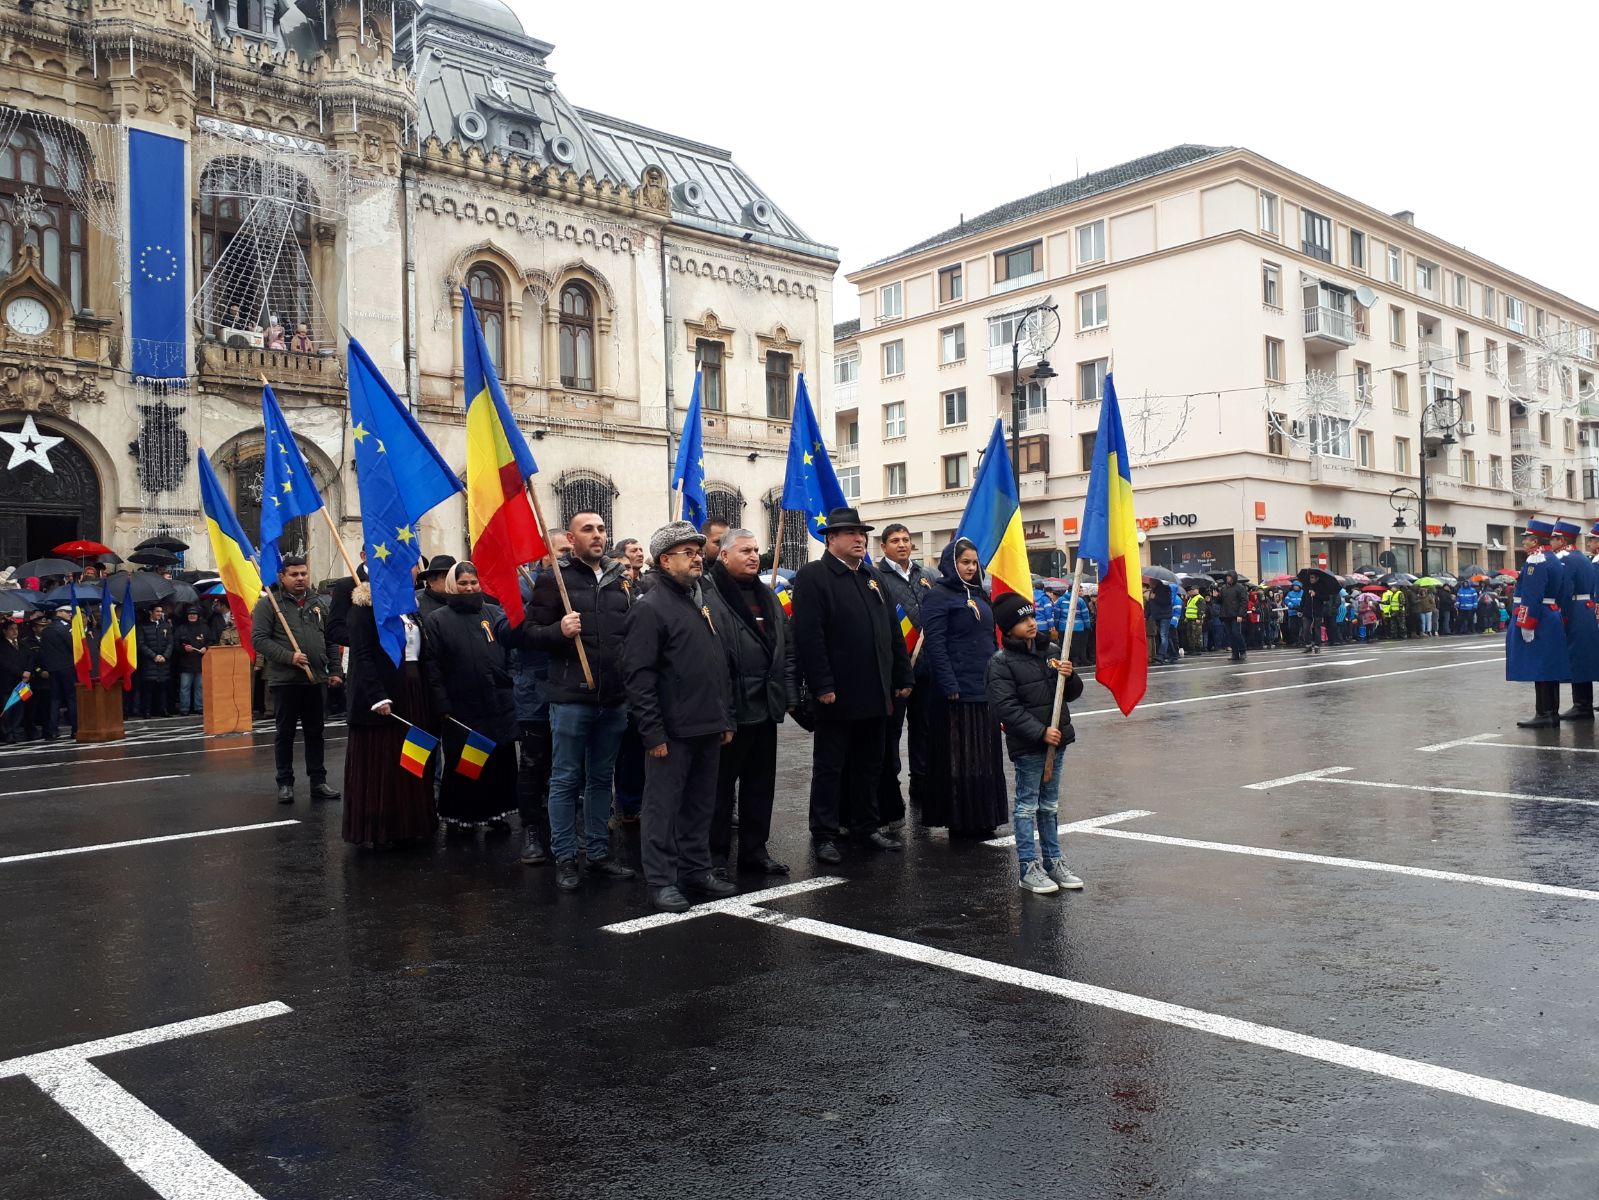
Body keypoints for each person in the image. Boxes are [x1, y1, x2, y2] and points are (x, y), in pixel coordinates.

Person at [623, 522, 735, 912]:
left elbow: (716, 665)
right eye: (687, 552)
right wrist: (652, 733)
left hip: (707, 723)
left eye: (697, 551)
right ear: (665, 561)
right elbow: (639, 677)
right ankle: (661, 880)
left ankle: (696, 870)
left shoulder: (699, 600)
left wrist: (724, 718)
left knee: (701, 805)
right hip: (672, 731)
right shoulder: (650, 607)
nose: (696, 558)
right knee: (662, 808)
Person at [792, 506, 913, 864]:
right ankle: (824, 833)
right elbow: (809, 636)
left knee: (869, 764)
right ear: (831, 538)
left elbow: (892, 632)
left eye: (862, 533)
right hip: (837, 694)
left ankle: (865, 826)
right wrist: (821, 684)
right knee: (830, 767)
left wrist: (902, 676)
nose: (860, 539)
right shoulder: (814, 576)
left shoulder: (871, 576)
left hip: (875, 691)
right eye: (851, 533)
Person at [528, 510, 636, 891]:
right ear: (571, 540)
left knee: (601, 779)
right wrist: (558, 630)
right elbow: (529, 633)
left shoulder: (619, 580)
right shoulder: (553, 579)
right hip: (572, 697)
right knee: (565, 779)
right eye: (587, 529)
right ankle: (565, 857)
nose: (597, 535)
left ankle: (599, 853)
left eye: (602, 529)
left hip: (614, 699)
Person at [703, 527, 796, 877]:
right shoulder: (707, 594)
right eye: (745, 551)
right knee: (719, 789)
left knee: (760, 786)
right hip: (730, 710)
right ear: (724, 555)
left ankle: (755, 852)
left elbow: (786, 646)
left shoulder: (768, 595)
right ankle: (714, 857)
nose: (754, 556)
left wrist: (788, 696)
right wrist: (721, 710)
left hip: (765, 707)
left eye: (756, 550)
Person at [985, 593, 1085, 894]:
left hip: (1057, 741)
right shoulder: (1001, 663)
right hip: (1030, 745)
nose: (1031, 623)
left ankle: (1054, 861)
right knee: (1027, 805)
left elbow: (1070, 694)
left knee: (1050, 804)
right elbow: (1006, 708)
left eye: (1032, 616)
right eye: (1022, 620)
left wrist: (1070, 675)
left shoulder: (1051, 651)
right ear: (1008, 627)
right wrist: (1040, 732)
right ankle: (1028, 866)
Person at [422, 562, 530, 833]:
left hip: (498, 701)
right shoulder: (437, 620)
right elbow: (432, 666)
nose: (469, 588)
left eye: (473, 582)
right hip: (462, 705)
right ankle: (465, 818)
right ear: (452, 585)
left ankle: (496, 815)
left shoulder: (493, 612)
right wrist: (441, 702)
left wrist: (509, 678)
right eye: (463, 583)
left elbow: (511, 651)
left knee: (499, 761)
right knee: (467, 764)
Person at [917, 537, 1008, 837]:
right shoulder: (938, 596)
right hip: (956, 690)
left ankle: (984, 817)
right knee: (960, 758)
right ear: (950, 563)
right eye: (964, 562)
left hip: (984, 686)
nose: (970, 567)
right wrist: (948, 683)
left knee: (984, 757)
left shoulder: (980, 595)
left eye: (974, 563)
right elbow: (935, 644)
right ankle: (960, 820)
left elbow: (990, 641)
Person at [343, 567, 438, 846]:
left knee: (413, 757)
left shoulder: (411, 609)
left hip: (413, 690)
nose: (411, 572)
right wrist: (377, 695)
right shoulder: (365, 610)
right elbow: (362, 655)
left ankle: (412, 823)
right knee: (385, 762)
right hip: (384, 695)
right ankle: (383, 829)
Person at [251, 555, 342, 804]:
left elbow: (330, 639)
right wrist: (289, 657)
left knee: (316, 732)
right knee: (285, 734)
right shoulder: (269, 604)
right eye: (294, 574)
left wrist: (335, 670)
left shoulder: (318, 603)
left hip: (315, 679)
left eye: (303, 573)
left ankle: (318, 781)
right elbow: (259, 639)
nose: (300, 578)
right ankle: (285, 782)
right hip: (286, 680)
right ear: (282, 576)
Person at [875, 522, 938, 821]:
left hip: (925, 666)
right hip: (895, 670)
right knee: (891, 732)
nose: (902, 544)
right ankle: (889, 791)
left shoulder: (925, 576)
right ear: (883, 546)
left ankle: (922, 783)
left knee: (923, 728)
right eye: (895, 540)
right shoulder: (876, 577)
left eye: (906, 539)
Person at [1508, 520, 1571, 728]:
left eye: (1526, 538)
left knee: (1540, 666)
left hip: (1539, 617)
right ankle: (1552, 712)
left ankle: (1543, 713)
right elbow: (1564, 591)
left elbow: (1532, 595)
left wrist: (1526, 623)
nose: (1524, 542)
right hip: (1551, 614)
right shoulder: (1553, 559)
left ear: (1535, 541)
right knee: (1549, 666)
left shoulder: (1536, 560)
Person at [1551, 520, 1599, 721]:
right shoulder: (1582, 557)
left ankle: (1581, 705)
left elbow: (1566, 590)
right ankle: (1583, 704)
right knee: (1584, 657)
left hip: (1575, 608)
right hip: (1585, 608)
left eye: (1554, 538)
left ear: (1562, 540)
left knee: (1577, 658)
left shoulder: (1568, 559)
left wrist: (1561, 613)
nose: (1551, 542)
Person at [37, 604, 76, 739]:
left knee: (55, 700)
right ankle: (75, 728)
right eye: (67, 612)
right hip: (67, 667)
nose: (70, 614)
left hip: (53, 669)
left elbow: (44, 651)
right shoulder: (66, 628)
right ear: (59, 612)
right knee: (72, 698)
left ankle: (52, 730)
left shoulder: (46, 630)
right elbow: (73, 646)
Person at [0, 616, 32, 743]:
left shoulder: (23, 644)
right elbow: (5, 664)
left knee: (20, 708)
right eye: (11, 629)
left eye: (16, 629)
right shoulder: (2, 646)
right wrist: (21, 673)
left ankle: (16, 730)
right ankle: (8, 733)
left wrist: (28, 671)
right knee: (8, 708)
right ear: (5, 631)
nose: (15, 631)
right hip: (8, 682)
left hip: (23, 683)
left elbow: (30, 658)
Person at [175, 607, 209, 715]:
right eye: (190, 614)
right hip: (185, 663)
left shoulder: (205, 628)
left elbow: (211, 641)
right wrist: (183, 649)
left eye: (194, 614)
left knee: (200, 687)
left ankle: (199, 707)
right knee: (185, 687)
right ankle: (184, 709)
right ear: (187, 615)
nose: (192, 615)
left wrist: (206, 648)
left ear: (198, 616)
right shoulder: (181, 628)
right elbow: (175, 644)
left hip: (200, 663)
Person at [1218, 571, 1248, 662]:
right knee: (1230, 635)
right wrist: (1216, 597)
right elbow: (1220, 601)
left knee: (1236, 633)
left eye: (1229, 576)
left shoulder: (1240, 587)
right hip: (1226, 615)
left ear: (1233, 577)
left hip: (1236, 615)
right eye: (1227, 576)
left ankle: (1242, 651)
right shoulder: (1224, 588)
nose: (1227, 578)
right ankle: (1235, 653)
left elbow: (1244, 602)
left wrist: (1240, 614)